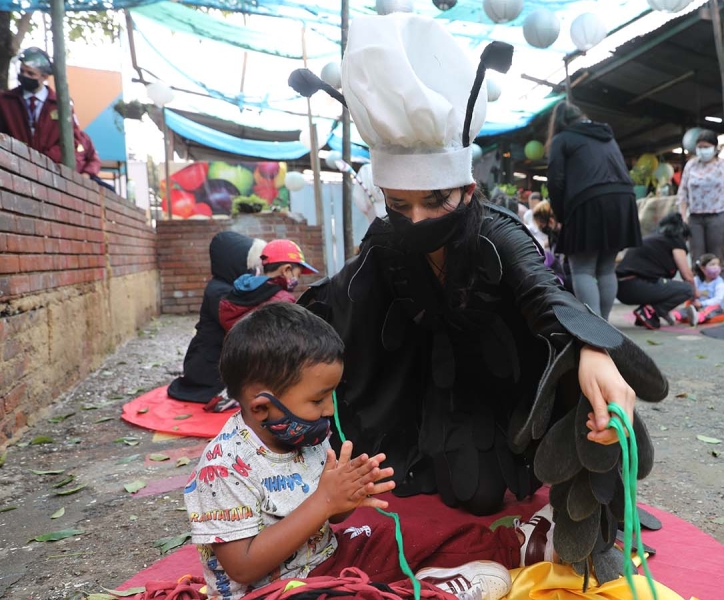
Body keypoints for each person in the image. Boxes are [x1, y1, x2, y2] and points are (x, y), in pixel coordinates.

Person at [299, 14, 666, 569]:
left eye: (435, 201)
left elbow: (547, 292)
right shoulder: (387, 238)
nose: (417, 218)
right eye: (400, 206)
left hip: (498, 386)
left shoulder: (499, 233)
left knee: (479, 492)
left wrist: (593, 350)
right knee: (408, 480)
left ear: (469, 189)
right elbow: (340, 299)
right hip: (416, 385)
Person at [185, 302, 553, 600]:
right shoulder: (222, 469)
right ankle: (435, 592)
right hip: (275, 593)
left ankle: (516, 546)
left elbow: (327, 522)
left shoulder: (303, 437)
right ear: (262, 406)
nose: (330, 409)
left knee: (408, 537)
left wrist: (343, 502)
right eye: (317, 399)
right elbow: (243, 568)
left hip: (332, 558)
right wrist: (324, 503)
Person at [546, 101, 642, 321]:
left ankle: (596, 332)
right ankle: (605, 326)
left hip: (588, 201)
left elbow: (555, 181)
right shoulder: (607, 136)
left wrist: (561, 216)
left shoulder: (562, 139)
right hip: (622, 200)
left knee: (582, 269)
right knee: (607, 269)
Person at [167, 232, 266, 404]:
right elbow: (242, 324)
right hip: (208, 365)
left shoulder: (229, 287)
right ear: (236, 262)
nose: (255, 270)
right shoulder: (218, 291)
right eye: (251, 264)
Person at [0, 47, 102, 184]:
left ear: (45, 76)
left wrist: (43, 160)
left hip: (50, 175)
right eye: (22, 71)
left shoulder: (62, 106)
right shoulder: (5, 101)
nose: (25, 76)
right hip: (14, 170)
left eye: (31, 73)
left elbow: (72, 140)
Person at [676, 130, 724, 276]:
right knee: (697, 257)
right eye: (699, 147)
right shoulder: (691, 165)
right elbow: (682, 192)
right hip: (695, 218)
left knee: (716, 257)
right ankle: (697, 293)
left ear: (715, 148)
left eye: (706, 147)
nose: (702, 150)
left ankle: (718, 294)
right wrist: (683, 217)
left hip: (718, 216)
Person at [615, 212, 697, 330]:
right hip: (636, 285)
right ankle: (649, 312)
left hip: (620, 288)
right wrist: (695, 294)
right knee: (687, 289)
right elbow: (687, 275)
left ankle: (647, 314)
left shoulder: (653, 238)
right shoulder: (675, 240)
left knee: (666, 284)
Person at [219, 239, 319, 332]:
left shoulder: (239, 293)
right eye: (298, 275)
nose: (298, 280)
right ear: (286, 270)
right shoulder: (284, 300)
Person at [670, 253, 724, 327]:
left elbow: (718, 299)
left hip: (714, 306)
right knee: (687, 308)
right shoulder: (697, 280)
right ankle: (674, 316)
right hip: (698, 306)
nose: (716, 267)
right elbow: (689, 289)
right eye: (712, 264)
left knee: (710, 310)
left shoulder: (719, 282)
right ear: (702, 268)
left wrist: (702, 304)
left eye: (717, 264)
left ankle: (697, 317)